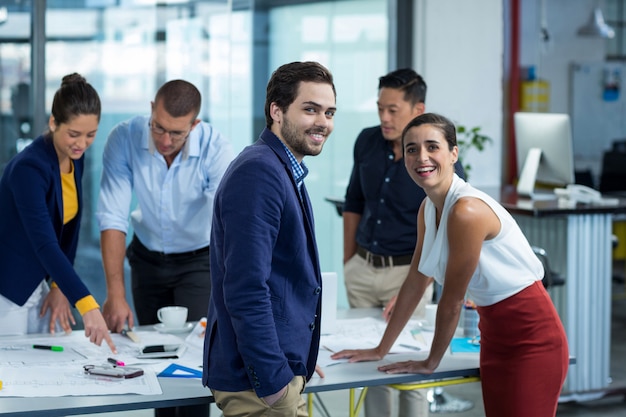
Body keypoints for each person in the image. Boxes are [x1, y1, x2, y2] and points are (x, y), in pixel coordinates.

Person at [333, 113, 569, 417]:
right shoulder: (428, 208)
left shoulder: (466, 211)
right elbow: (417, 281)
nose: (422, 157)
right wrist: (381, 349)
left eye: (433, 147)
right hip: (494, 336)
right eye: (412, 149)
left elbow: (452, 301)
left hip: (531, 338)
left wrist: (432, 361)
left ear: (453, 154)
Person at [203, 61, 337, 417]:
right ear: (276, 111)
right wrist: (276, 382)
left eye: (328, 112)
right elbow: (246, 287)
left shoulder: (280, 168)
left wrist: (295, 359)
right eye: (309, 109)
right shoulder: (259, 172)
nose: (322, 122)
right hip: (259, 385)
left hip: (275, 375)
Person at [96, 79, 234, 417]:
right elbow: (113, 216)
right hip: (147, 260)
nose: (164, 140)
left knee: (193, 363)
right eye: (158, 127)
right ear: (151, 110)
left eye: (176, 133)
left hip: (199, 261)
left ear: (194, 126)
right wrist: (115, 293)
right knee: (155, 364)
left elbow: (229, 222)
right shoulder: (124, 138)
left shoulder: (216, 147)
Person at [342, 68, 466, 416]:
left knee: (411, 370)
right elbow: (353, 202)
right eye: (380, 107)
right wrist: (349, 260)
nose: (384, 117)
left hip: (410, 273)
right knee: (369, 365)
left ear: (417, 109)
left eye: (393, 109)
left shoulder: (435, 163)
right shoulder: (366, 141)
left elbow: (445, 233)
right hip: (363, 269)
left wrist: (412, 289)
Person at [0, 73, 116, 353]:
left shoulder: (75, 157)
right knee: (11, 375)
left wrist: (58, 287)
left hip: (39, 284)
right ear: (53, 123)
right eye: (74, 134)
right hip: (8, 288)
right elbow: (44, 242)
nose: (82, 143)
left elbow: (70, 229)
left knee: (46, 367)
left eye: (91, 135)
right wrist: (86, 303)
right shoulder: (29, 168)